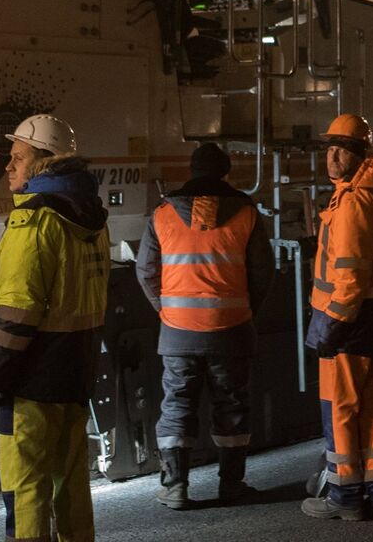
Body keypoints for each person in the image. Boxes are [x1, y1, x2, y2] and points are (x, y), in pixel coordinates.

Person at [0, 114, 109, 542]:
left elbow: (14, 317)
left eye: (18, 157)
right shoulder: (94, 219)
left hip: (30, 381)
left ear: (43, 162)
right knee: (71, 486)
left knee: (25, 490)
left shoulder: (33, 221)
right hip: (74, 372)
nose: (9, 167)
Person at [135, 141, 275, 510]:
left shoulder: (163, 214)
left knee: (178, 404)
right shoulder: (246, 213)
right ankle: (231, 484)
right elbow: (263, 272)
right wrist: (245, 311)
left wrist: (165, 310)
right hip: (232, 329)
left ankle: (176, 487)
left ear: (192, 172)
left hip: (178, 330)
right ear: (226, 173)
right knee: (231, 406)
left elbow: (145, 270)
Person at [301, 114, 373, 524]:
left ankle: (345, 495)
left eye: (340, 149)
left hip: (353, 324)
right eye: (327, 148)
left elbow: (349, 277)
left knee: (341, 410)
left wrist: (332, 326)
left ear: (358, 154)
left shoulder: (352, 202)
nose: (331, 157)